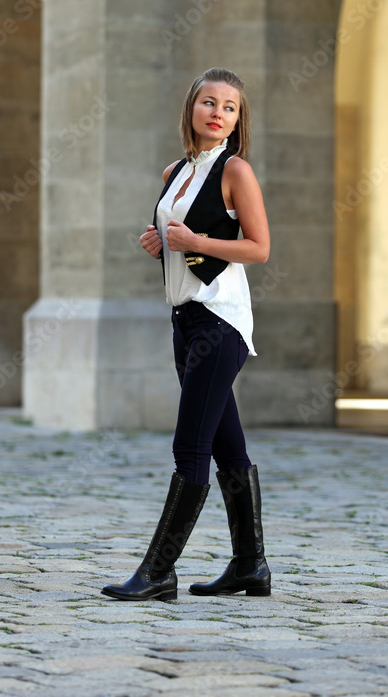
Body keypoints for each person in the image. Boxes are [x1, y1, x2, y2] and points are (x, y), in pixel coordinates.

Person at [102, 67, 272, 601]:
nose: (218, 113)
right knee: (228, 447)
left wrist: (196, 239)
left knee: (189, 448)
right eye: (209, 102)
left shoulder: (235, 171)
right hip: (184, 319)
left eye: (230, 107)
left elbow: (258, 248)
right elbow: (179, 236)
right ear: (192, 109)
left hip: (218, 321)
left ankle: (158, 573)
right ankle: (250, 566)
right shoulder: (175, 170)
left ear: (238, 120)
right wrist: (161, 241)